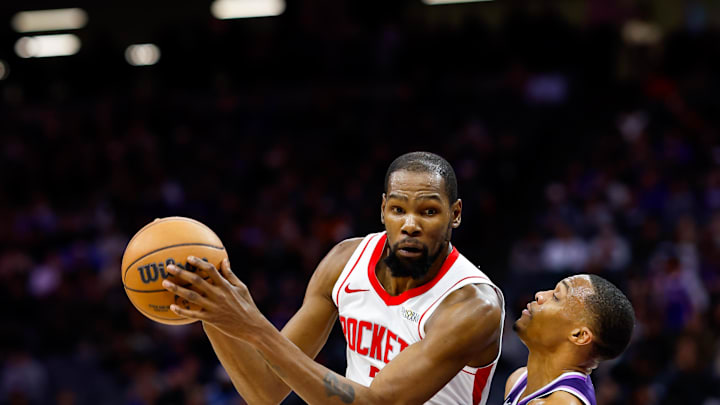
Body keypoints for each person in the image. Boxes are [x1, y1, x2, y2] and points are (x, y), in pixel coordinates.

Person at [161, 151, 505, 404]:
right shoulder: (345, 262)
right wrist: (210, 308)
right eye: (399, 209)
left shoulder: (473, 305)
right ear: (383, 209)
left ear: (455, 214)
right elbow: (265, 390)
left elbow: (378, 404)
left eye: (428, 211)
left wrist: (253, 326)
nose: (411, 224)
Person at [503, 274, 635, 405]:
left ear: (579, 335)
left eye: (556, 297)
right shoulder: (518, 379)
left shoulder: (564, 402)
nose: (540, 295)